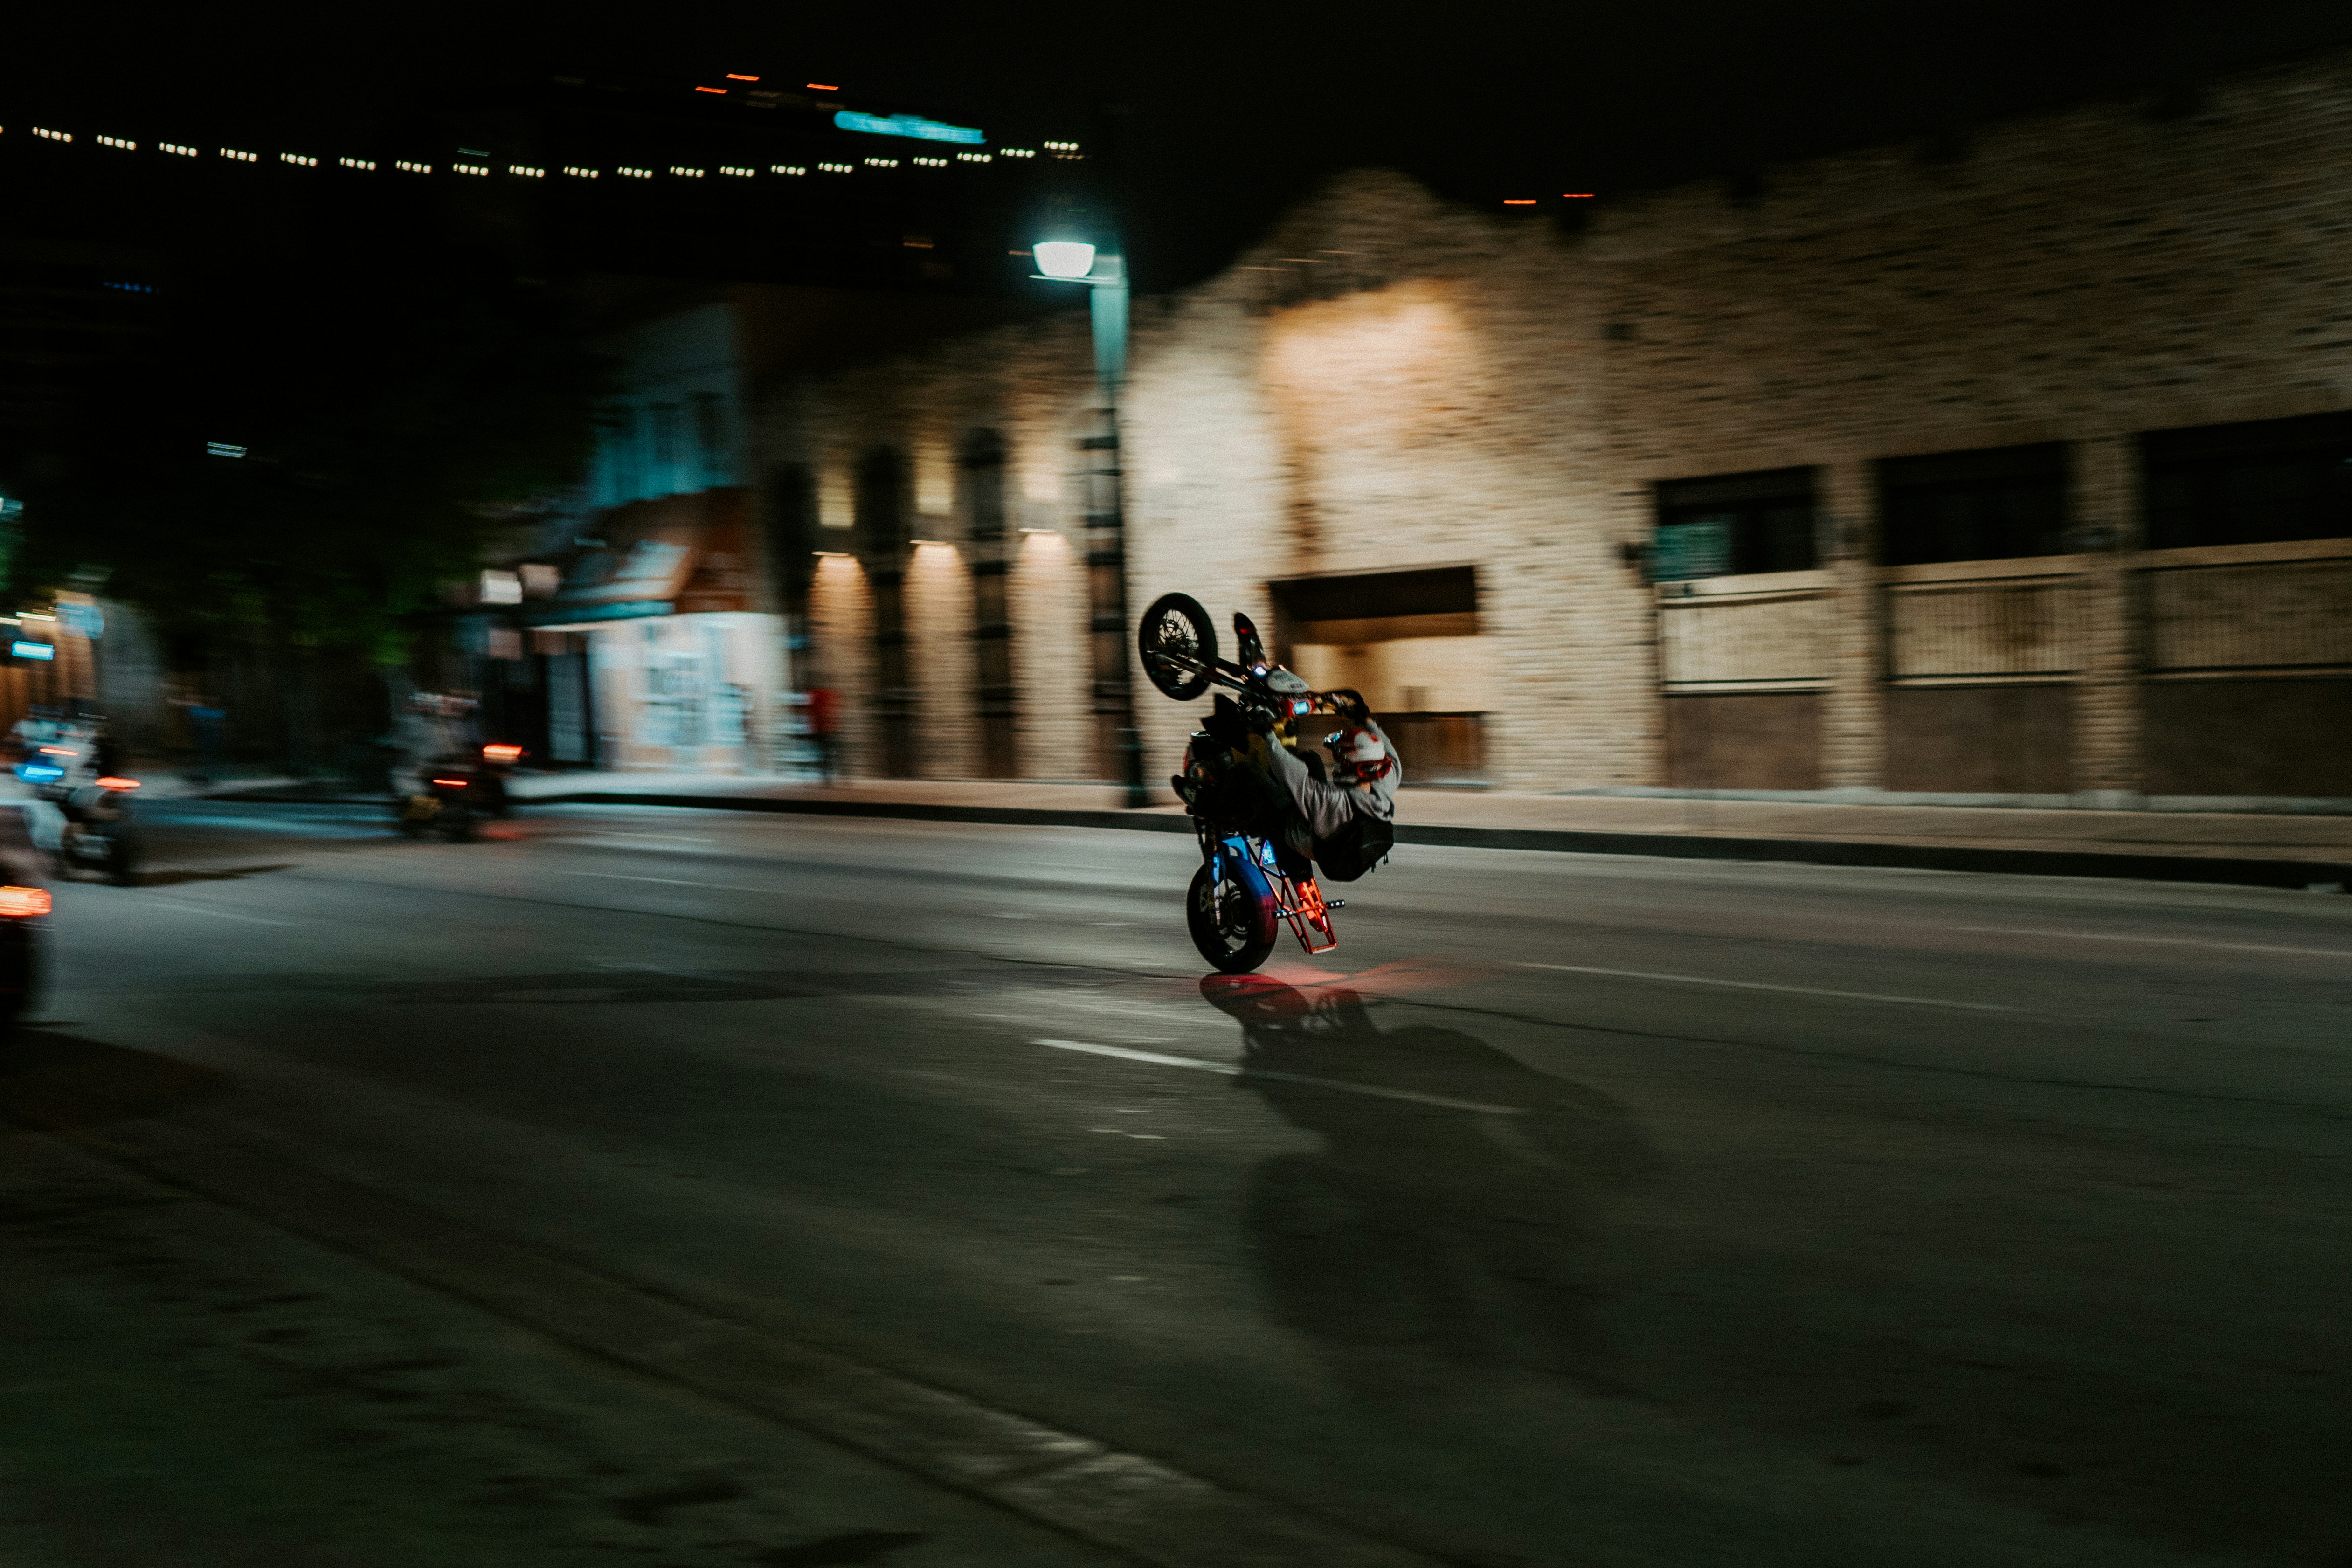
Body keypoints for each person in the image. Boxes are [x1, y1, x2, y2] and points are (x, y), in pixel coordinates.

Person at [1191, 688, 1400, 883]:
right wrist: (1368, 721)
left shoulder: (1331, 800)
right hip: (1340, 834)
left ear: (1346, 764)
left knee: (1249, 770)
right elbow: (1393, 758)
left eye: (1339, 756)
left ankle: (1207, 805)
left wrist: (1267, 734)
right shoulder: (1382, 790)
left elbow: (1292, 774)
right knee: (1311, 757)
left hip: (1302, 836)